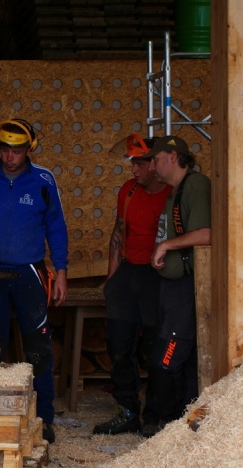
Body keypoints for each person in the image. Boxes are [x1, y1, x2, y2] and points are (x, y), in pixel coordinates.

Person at [0, 118, 68, 444]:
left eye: (17, 151)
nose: (9, 157)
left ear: (29, 149)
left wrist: (61, 272)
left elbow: (56, 227)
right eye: (5, 149)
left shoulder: (43, 181)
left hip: (30, 273)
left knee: (38, 347)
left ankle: (43, 417)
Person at [93, 135, 172, 438]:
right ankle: (127, 411)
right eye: (132, 163)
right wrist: (112, 280)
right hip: (127, 275)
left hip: (157, 277)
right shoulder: (128, 190)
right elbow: (118, 233)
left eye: (139, 164)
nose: (133, 169)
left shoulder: (172, 194)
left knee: (155, 349)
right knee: (119, 347)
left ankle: (154, 415)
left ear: (155, 164)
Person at [146, 135, 211, 431]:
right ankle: (179, 422)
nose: (152, 166)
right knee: (174, 359)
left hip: (186, 288)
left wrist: (166, 245)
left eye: (156, 159)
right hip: (171, 289)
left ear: (172, 157)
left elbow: (206, 234)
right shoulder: (175, 191)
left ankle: (174, 424)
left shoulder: (195, 185)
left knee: (167, 360)